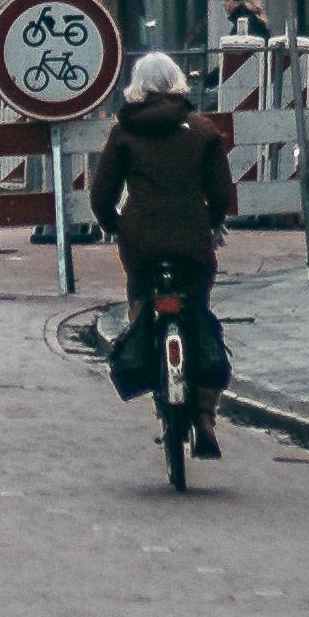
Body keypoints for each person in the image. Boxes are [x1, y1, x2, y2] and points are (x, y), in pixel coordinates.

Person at [91, 47, 240, 448]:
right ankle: (206, 413)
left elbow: (102, 195)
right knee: (199, 313)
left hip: (142, 243)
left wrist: (117, 227)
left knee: (142, 305)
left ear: (136, 88)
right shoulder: (204, 132)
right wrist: (206, 224)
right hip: (191, 243)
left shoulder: (123, 133)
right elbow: (222, 194)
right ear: (178, 84)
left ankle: (150, 365)